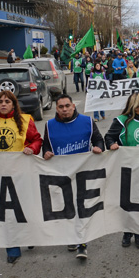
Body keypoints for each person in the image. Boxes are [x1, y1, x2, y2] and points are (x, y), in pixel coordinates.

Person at [0, 91, 42, 263]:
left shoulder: (25, 120)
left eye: (7, 101)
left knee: (24, 208)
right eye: (0, 102)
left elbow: (37, 140)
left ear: (14, 104)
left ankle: (28, 236)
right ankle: (12, 249)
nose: (3, 104)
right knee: (6, 212)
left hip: (21, 172)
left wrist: (32, 149)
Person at [42, 94, 104, 258]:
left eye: (67, 106)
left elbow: (99, 140)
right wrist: (46, 153)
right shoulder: (49, 125)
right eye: (61, 107)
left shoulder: (87, 122)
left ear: (73, 106)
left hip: (84, 174)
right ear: (56, 108)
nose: (64, 109)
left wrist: (98, 147)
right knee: (68, 209)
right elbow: (46, 147)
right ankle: (71, 237)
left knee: (82, 209)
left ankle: (82, 243)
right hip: (62, 176)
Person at [105, 92, 139, 250]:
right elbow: (108, 137)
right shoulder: (122, 122)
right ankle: (127, 231)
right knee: (127, 202)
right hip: (127, 169)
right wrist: (112, 145)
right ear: (135, 105)